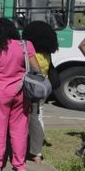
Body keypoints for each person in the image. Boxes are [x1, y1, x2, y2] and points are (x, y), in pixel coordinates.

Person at [0, 18, 40, 171]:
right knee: (20, 129)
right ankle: (20, 165)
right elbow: (36, 69)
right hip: (22, 94)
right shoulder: (25, 46)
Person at [21, 21, 58, 163]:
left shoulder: (30, 52)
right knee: (38, 117)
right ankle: (36, 152)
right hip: (42, 89)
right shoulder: (47, 54)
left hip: (29, 89)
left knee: (28, 119)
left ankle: (30, 150)